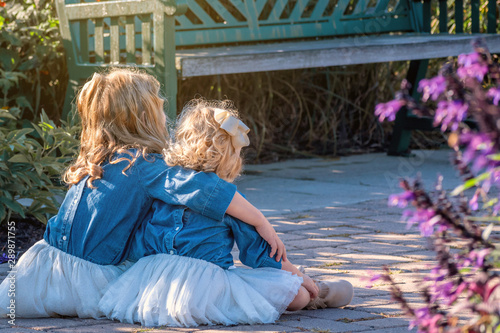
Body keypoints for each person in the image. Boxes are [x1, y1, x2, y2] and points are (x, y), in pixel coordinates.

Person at [0, 70, 286, 319]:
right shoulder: (142, 164)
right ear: (143, 117)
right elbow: (204, 189)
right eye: (160, 108)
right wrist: (260, 220)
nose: (165, 115)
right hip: (86, 283)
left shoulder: (97, 158)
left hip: (38, 273)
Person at [99, 99, 354, 327]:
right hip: (204, 285)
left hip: (154, 280)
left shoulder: (164, 186)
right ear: (228, 154)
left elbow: (142, 236)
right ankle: (318, 292)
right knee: (296, 295)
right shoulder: (226, 200)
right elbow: (261, 254)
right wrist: (301, 278)